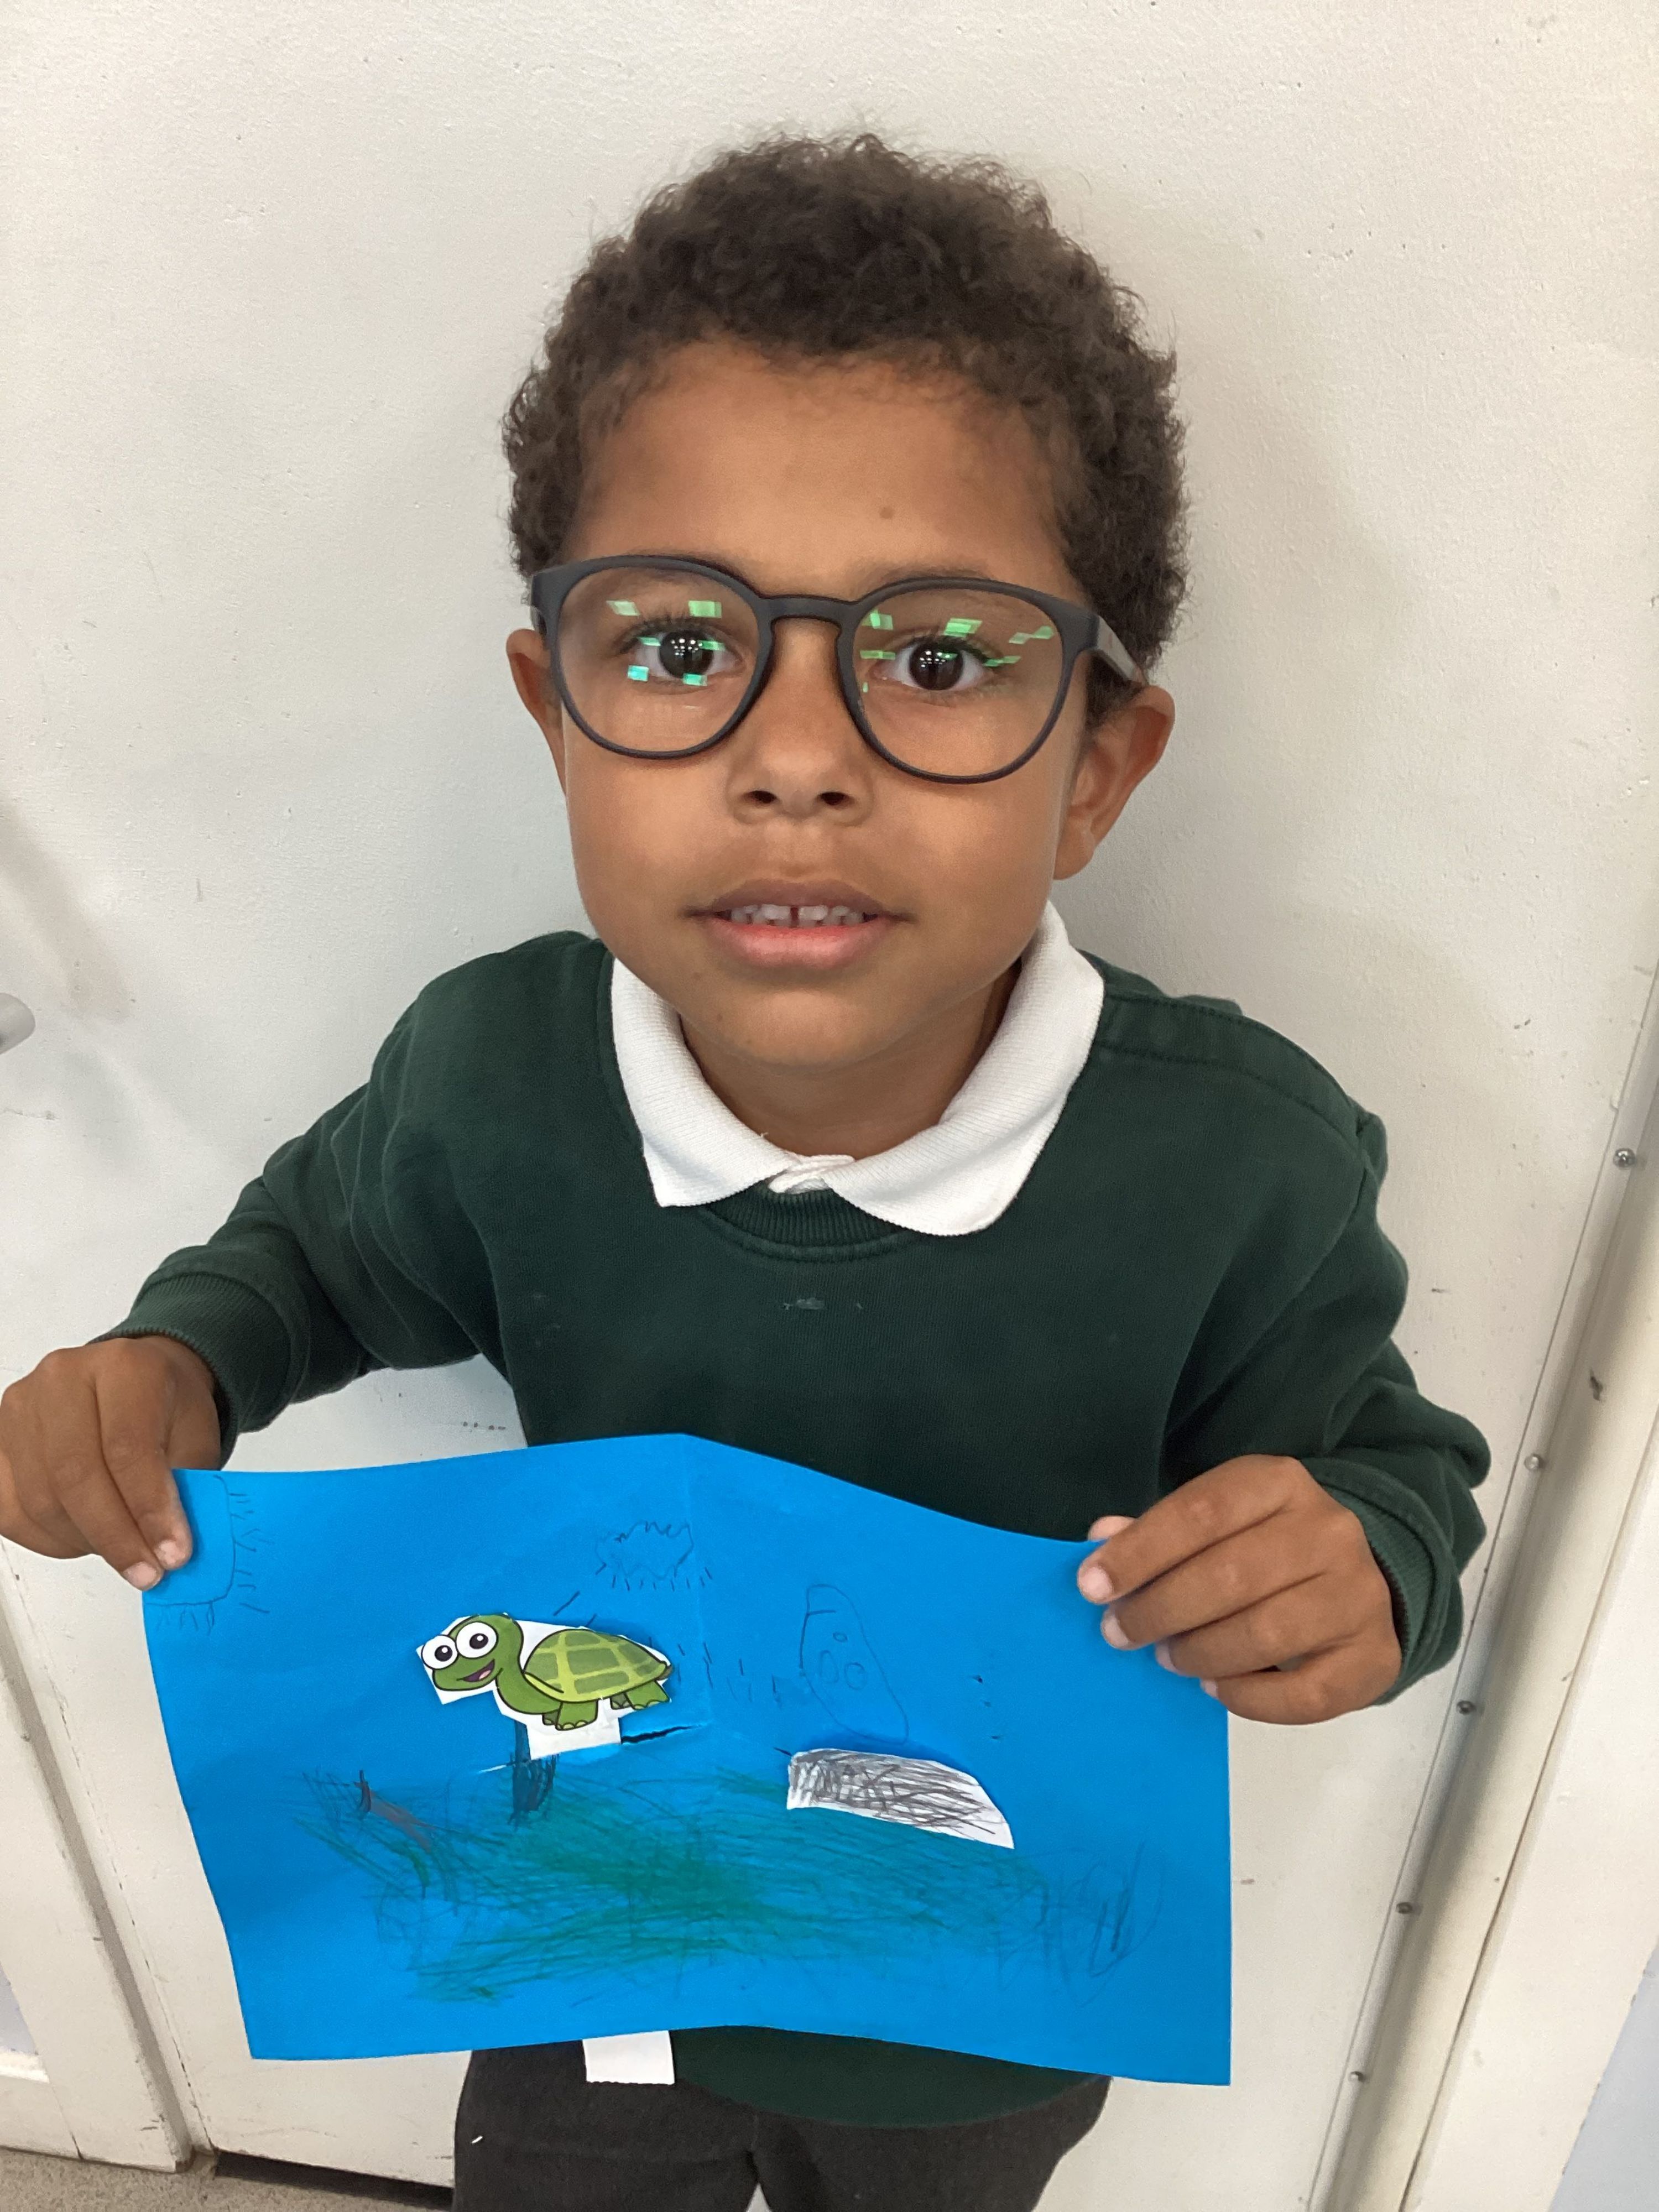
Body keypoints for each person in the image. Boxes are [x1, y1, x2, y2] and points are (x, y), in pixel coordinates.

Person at [0, 133, 1489, 2212]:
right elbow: (311, 1260)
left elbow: (1393, 1475)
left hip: (975, 2003)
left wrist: (1363, 1571)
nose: (798, 761)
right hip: (593, 1951)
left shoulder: (1244, 1168)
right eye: (681, 649)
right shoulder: (491, 1080)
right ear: (556, 712)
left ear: (1097, 769)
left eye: (940, 658)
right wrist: (170, 1366)